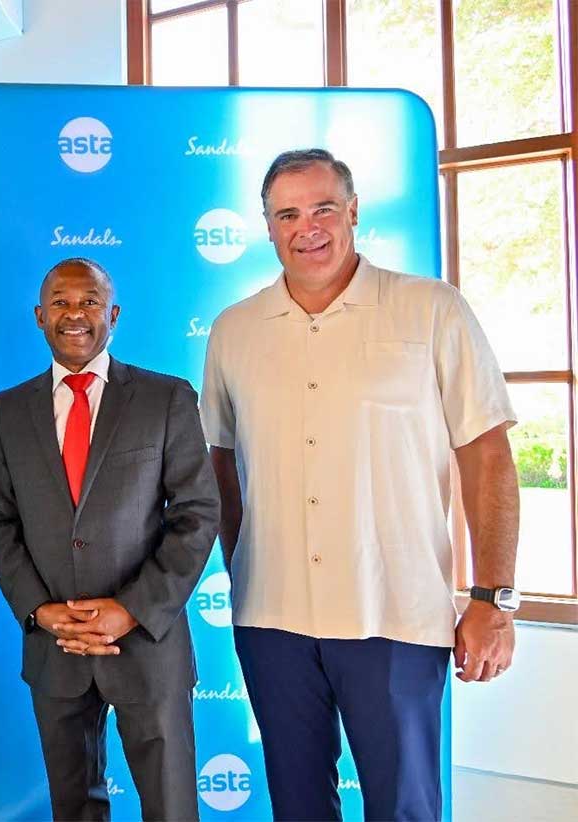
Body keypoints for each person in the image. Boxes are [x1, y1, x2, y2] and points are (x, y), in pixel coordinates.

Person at [201, 148, 520, 821]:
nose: (306, 226)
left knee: (404, 807)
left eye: (322, 208)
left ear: (353, 211)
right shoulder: (234, 331)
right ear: (268, 227)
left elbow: (487, 455)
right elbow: (221, 464)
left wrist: (493, 597)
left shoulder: (431, 309)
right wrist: (245, 565)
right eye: (287, 213)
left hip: (396, 615)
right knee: (297, 806)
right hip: (273, 618)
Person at [0, 257, 219, 822]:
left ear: (113, 314)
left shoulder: (166, 398)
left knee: (171, 808)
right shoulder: (7, 411)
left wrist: (131, 610)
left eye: (89, 301)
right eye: (60, 302)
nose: (75, 314)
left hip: (148, 645)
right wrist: (40, 611)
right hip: (55, 648)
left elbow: (197, 513)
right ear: (40, 316)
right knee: (74, 809)